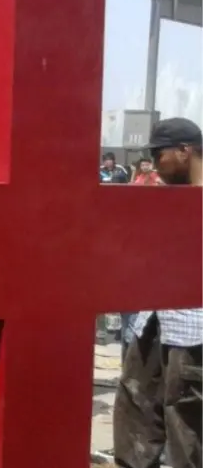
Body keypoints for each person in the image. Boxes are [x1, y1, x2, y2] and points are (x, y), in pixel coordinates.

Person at [113, 117, 202, 468]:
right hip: (154, 320)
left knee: (185, 425)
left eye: (158, 153)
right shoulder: (166, 198)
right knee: (136, 406)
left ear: (184, 151)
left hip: (193, 330)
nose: (153, 163)